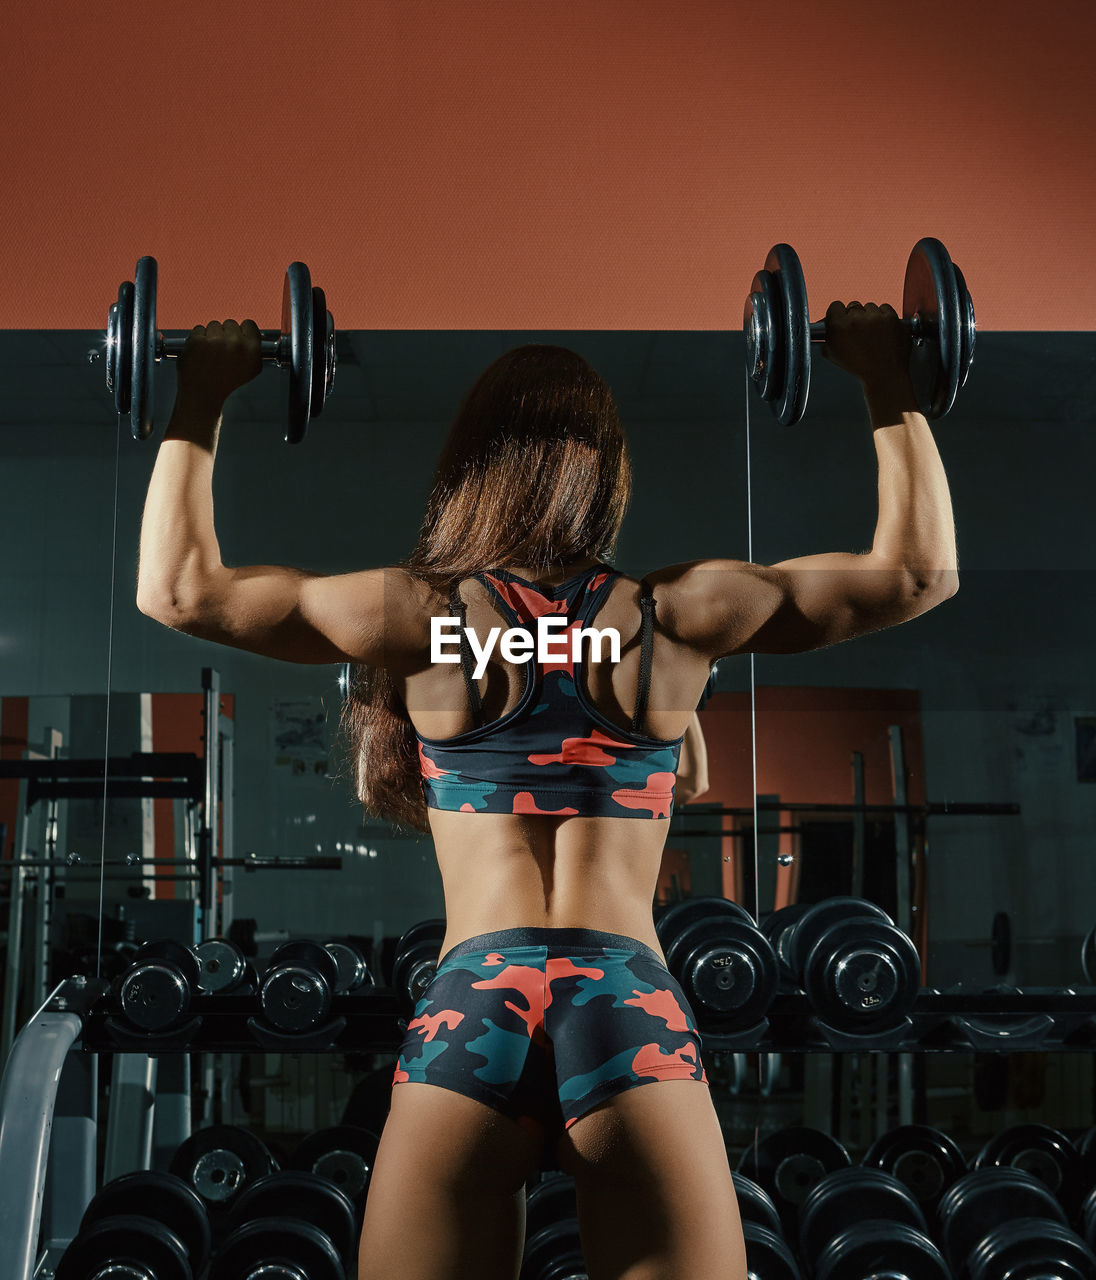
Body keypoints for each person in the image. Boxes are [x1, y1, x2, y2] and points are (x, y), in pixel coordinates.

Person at [137, 308, 958, 1280]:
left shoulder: (423, 614)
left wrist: (201, 390)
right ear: (607, 474)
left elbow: (179, 590)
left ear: (470, 467)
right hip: (625, 1001)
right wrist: (883, 379)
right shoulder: (670, 619)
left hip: (471, 1007)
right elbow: (915, 573)